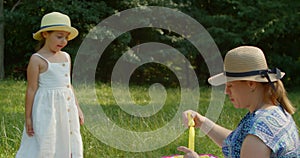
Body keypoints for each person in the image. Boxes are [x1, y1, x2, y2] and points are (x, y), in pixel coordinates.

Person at [177, 46, 300, 157]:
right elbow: (238, 144)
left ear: (251, 84)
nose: (226, 91)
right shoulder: (273, 113)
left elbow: (251, 144)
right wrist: (202, 122)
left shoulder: (258, 133)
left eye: (230, 85)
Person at [16, 12, 84, 158]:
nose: (64, 41)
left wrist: (77, 107)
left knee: (67, 137)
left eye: (66, 37)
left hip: (66, 107)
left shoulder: (66, 57)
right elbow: (31, 89)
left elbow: (68, 85)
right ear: (46, 34)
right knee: (47, 138)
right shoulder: (37, 59)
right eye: (59, 36)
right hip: (47, 108)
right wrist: (28, 117)